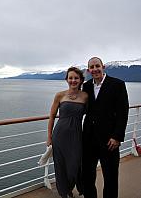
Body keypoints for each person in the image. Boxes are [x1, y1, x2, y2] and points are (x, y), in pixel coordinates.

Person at [82, 57, 129, 198]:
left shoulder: (117, 84)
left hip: (109, 140)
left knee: (111, 177)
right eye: (92, 67)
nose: (95, 69)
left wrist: (117, 136)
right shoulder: (87, 86)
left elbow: (123, 112)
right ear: (89, 70)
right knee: (88, 176)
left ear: (103, 67)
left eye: (97, 66)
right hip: (89, 139)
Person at [47, 67, 88, 198]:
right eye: (70, 78)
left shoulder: (86, 96)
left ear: (81, 80)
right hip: (59, 136)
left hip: (76, 136)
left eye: (76, 78)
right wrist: (49, 137)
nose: (73, 80)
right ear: (66, 80)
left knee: (74, 167)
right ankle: (65, 192)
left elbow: (92, 115)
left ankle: (70, 187)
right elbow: (52, 116)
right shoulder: (60, 95)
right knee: (60, 167)